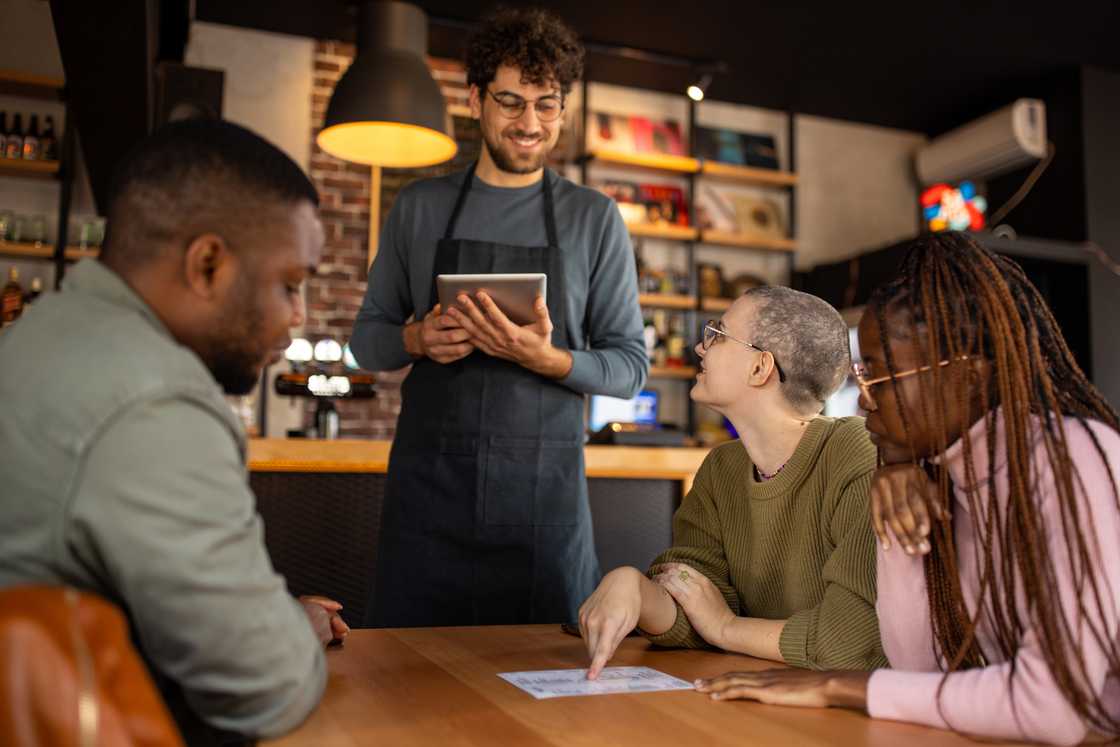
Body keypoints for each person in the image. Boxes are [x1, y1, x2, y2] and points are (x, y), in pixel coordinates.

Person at [0, 119, 349, 745]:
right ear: (208, 264)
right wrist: (297, 629)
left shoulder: (41, 332)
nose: (297, 318)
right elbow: (265, 686)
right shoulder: (154, 401)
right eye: (290, 285)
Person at [695, 233, 1120, 746]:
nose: (862, 403)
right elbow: (918, 666)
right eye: (860, 376)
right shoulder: (941, 470)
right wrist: (893, 499)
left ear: (966, 378)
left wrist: (840, 686)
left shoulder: (1072, 459)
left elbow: (1054, 707)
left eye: (879, 376)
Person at [350, 7, 647, 627]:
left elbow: (628, 368)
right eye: (511, 102)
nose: (529, 123)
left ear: (563, 108)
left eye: (546, 104)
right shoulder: (420, 206)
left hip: (543, 513)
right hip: (428, 508)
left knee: (543, 695)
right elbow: (366, 343)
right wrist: (417, 337)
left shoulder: (593, 218)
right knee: (410, 690)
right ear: (476, 99)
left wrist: (549, 359)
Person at [578, 287, 887, 677]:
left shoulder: (856, 453)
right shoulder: (722, 467)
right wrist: (634, 588)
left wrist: (727, 628)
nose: (700, 347)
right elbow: (696, 605)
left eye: (718, 334)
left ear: (760, 368)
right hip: (765, 698)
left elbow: (849, 644)